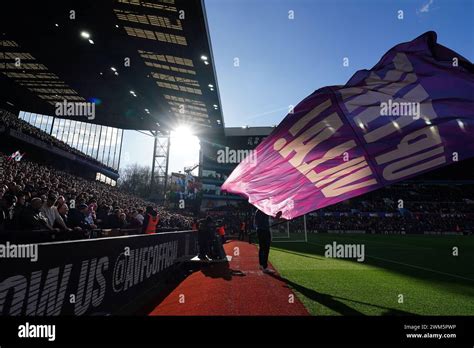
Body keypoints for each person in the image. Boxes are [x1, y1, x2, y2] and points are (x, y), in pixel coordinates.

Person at [254, 209, 282, 274]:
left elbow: (270, 219)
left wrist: (276, 217)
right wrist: (276, 217)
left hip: (261, 230)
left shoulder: (259, 210)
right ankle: (264, 267)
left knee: (262, 248)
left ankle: (261, 265)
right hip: (264, 230)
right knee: (266, 248)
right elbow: (271, 220)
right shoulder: (263, 210)